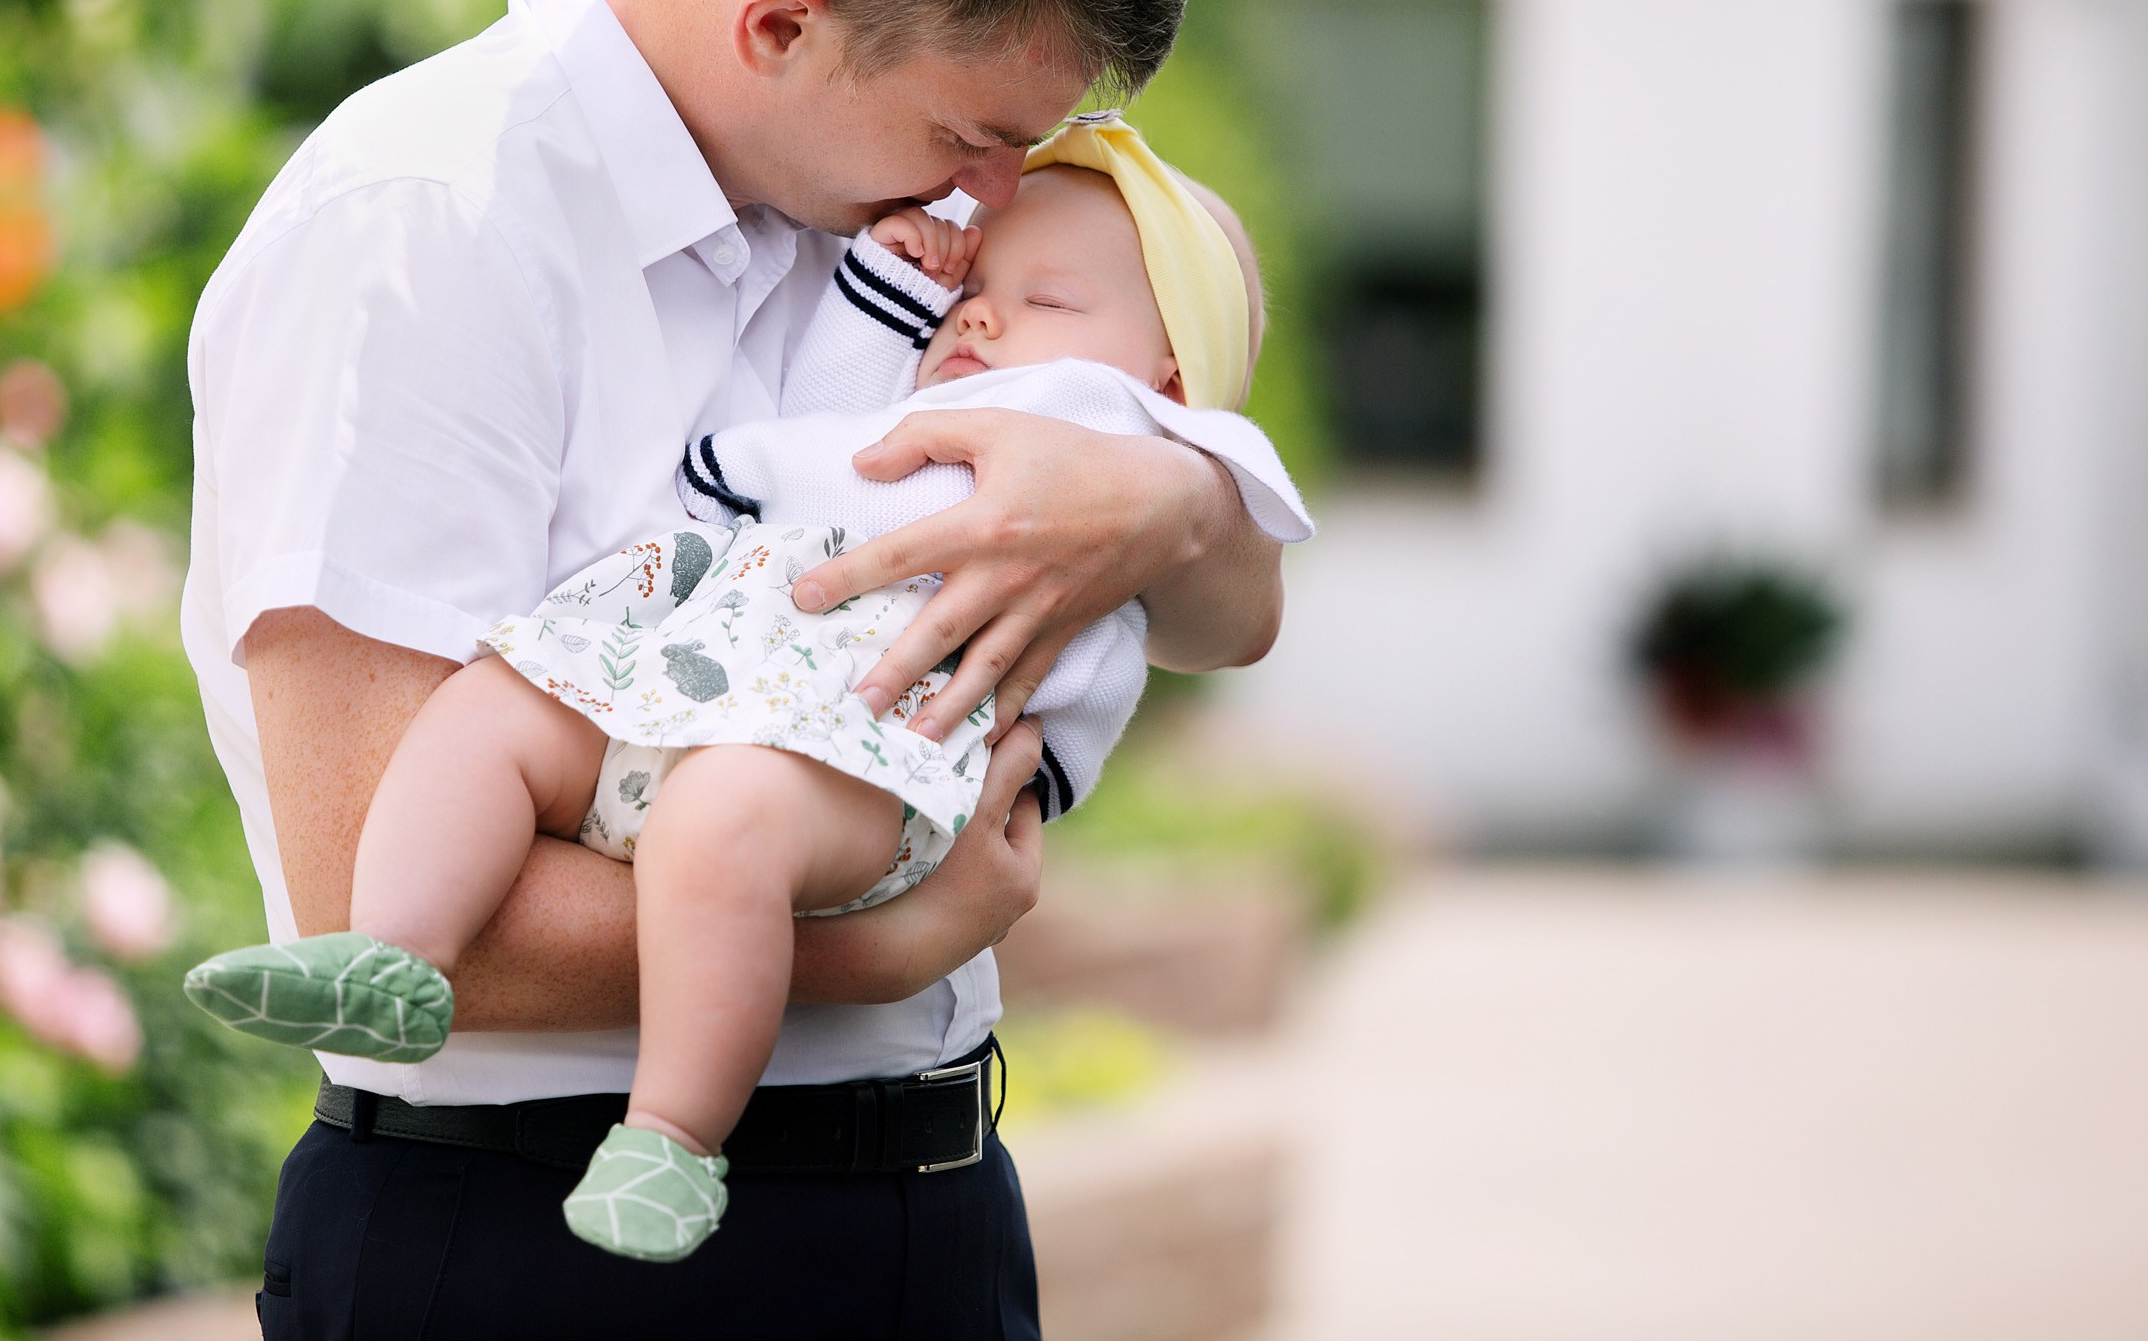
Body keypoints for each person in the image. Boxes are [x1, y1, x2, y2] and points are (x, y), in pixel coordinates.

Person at [180, 0, 1286, 1332]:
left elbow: (1231, 605)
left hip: (936, 1220)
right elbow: (375, 888)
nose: (995, 198)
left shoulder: (896, 222)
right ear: (778, 22)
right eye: (974, 132)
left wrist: (1159, 500)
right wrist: (886, 942)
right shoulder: (428, 222)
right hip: (530, 1244)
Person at [184, 115, 1312, 1263]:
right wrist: (891, 278)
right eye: (983, 278)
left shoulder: (1141, 444)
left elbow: (1248, 525)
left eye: (1052, 300)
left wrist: (1184, 480)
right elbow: (818, 411)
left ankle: (670, 1140)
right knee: (496, 705)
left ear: (1173, 375)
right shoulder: (904, 406)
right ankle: (396, 956)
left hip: (870, 750)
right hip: (696, 675)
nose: (982, 312)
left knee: (715, 825)